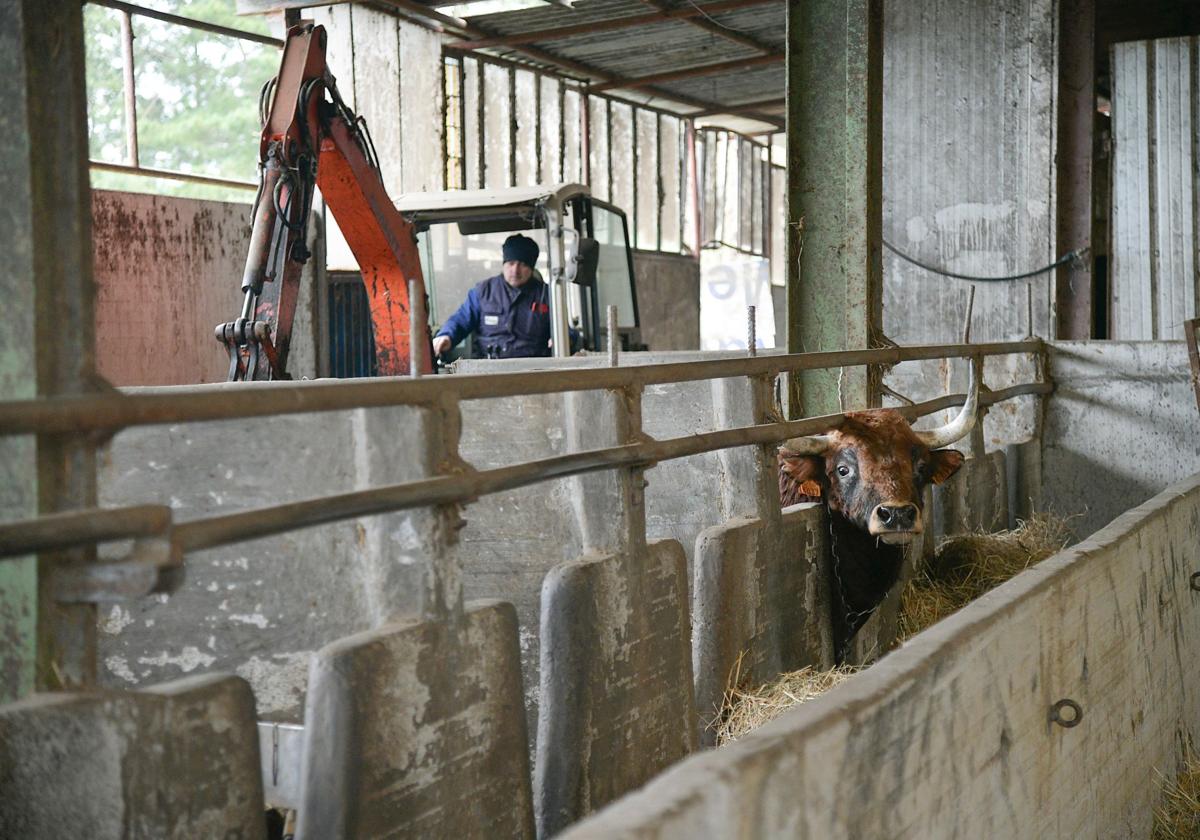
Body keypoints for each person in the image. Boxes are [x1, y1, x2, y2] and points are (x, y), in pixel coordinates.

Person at [431, 233, 553, 359]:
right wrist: (446, 336)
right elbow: (461, 320)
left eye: (522, 265)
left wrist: (566, 339)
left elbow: (565, 330)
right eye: (511, 263)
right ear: (503, 264)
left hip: (535, 368)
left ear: (532, 268)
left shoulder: (547, 295)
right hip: (488, 367)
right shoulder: (483, 292)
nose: (515, 270)